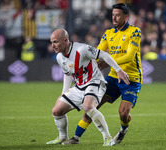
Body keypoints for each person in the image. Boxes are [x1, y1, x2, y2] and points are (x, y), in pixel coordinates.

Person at [63, 3, 143, 145]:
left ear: (126, 16)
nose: (114, 17)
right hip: (113, 77)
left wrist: (108, 62)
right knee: (93, 105)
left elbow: (130, 56)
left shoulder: (134, 31)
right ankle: (76, 138)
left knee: (123, 113)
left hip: (131, 78)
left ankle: (123, 130)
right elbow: (98, 53)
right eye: (113, 15)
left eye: (118, 15)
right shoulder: (108, 34)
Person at [46, 28, 130, 146]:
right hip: (79, 87)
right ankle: (62, 137)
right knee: (56, 111)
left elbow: (104, 55)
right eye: (51, 42)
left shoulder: (82, 49)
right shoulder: (60, 57)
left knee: (88, 106)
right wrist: (64, 92)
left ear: (65, 40)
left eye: (55, 42)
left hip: (95, 83)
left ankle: (107, 138)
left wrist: (118, 70)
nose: (52, 45)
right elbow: (68, 73)